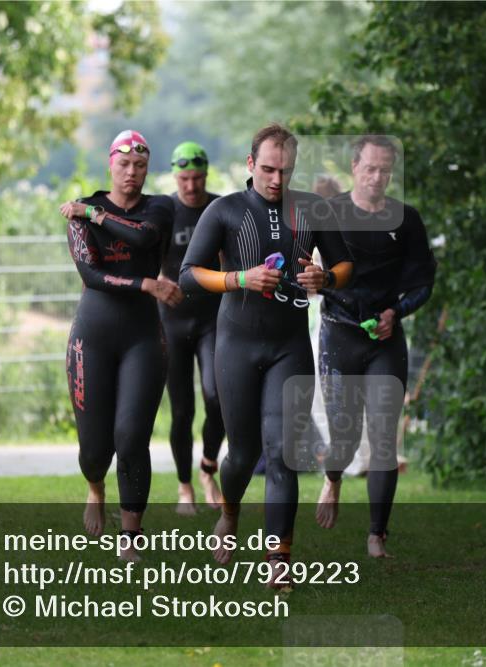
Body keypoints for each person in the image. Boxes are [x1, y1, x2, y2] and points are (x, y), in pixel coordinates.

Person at [179, 123, 353, 587]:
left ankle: (279, 558)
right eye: (269, 169)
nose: (277, 179)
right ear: (251, 164)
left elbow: (343, 265)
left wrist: (325, 279)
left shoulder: (311, 209)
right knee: (242, 454)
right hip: (235, 344)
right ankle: (230, 513)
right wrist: (240, 279)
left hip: (289, 347)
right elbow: (189, 275)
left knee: (283, 453)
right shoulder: (225, 210)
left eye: (286, 170)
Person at [59, 130, 181, 562]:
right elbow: (91, 276)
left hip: (142, 338)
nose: (132, 173)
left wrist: (92, 214)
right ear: (111, 163)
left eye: (141, 166)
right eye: (125, 164)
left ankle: (131, 534)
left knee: (132, 437)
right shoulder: (83, 211)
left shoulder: (159, 207)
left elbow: (144, 239)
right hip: (91, 337)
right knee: (95, 450)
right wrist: (144, 282)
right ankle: (95, 486)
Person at [314, 134, 436, 558]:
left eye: (386, 170)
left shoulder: (406, 220)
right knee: (345, 439)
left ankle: (377, 535)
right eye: (370, 168)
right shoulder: (329, 213)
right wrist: (311, 277)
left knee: (384, 433)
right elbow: (307, 268)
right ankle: (333, 479)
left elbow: (424, 283)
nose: (378, 176)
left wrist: (395, 314)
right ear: (355, 167)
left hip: (384, 337)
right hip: (339, 333)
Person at [159, 141, 226, 516]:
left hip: (212, 319)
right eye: (184, 178)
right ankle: (185, 486)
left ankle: (208, 467)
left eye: (197, 177)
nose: (191, 186)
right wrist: (156, 279)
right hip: (172, 319)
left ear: (206, 175)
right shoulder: (165, 210)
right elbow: (147, 258)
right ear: (175, 175)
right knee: (182, 409)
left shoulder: (219, 208)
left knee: (218, 398)